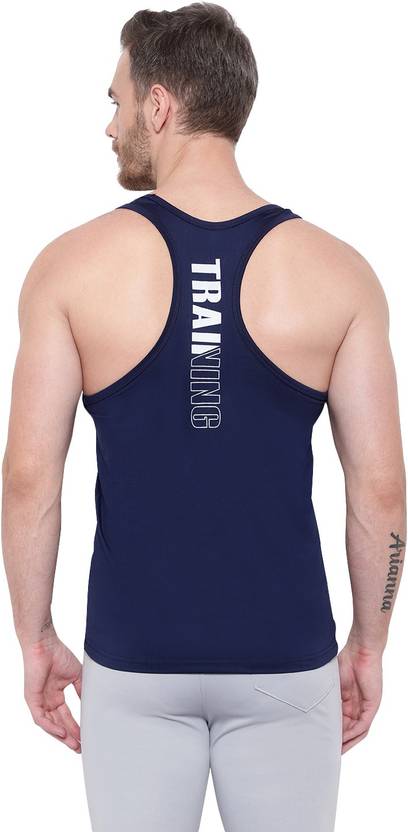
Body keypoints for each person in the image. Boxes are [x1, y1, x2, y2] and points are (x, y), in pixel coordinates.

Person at [1, 3, 406, 831]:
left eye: (116, 101)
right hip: (285, 662)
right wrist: (370, 644)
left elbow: (28, 479)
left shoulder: (70, 268)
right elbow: (382, 491)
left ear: (158, 106)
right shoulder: (340, 273)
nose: (109, 124)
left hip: (134, 661)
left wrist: (35, 637)